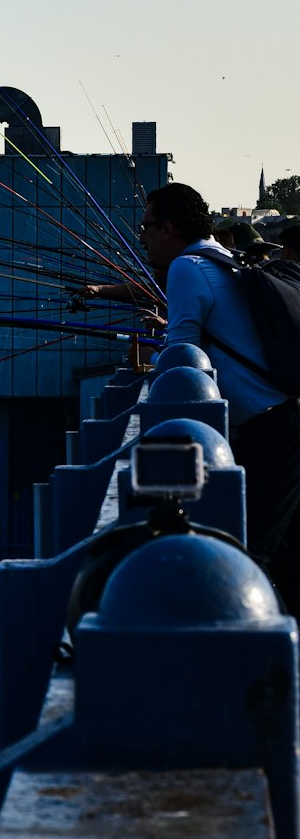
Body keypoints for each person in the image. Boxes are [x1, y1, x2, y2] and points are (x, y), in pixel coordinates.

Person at [139, 181, 300, 607]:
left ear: (169, 228)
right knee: (281, 552)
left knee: (255, 552)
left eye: (147, 227)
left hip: (274, 425)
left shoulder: (186, 267)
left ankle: (258, 658)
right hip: (283, 415)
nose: (143, 238)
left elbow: (182, 350)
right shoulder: (221, 258)